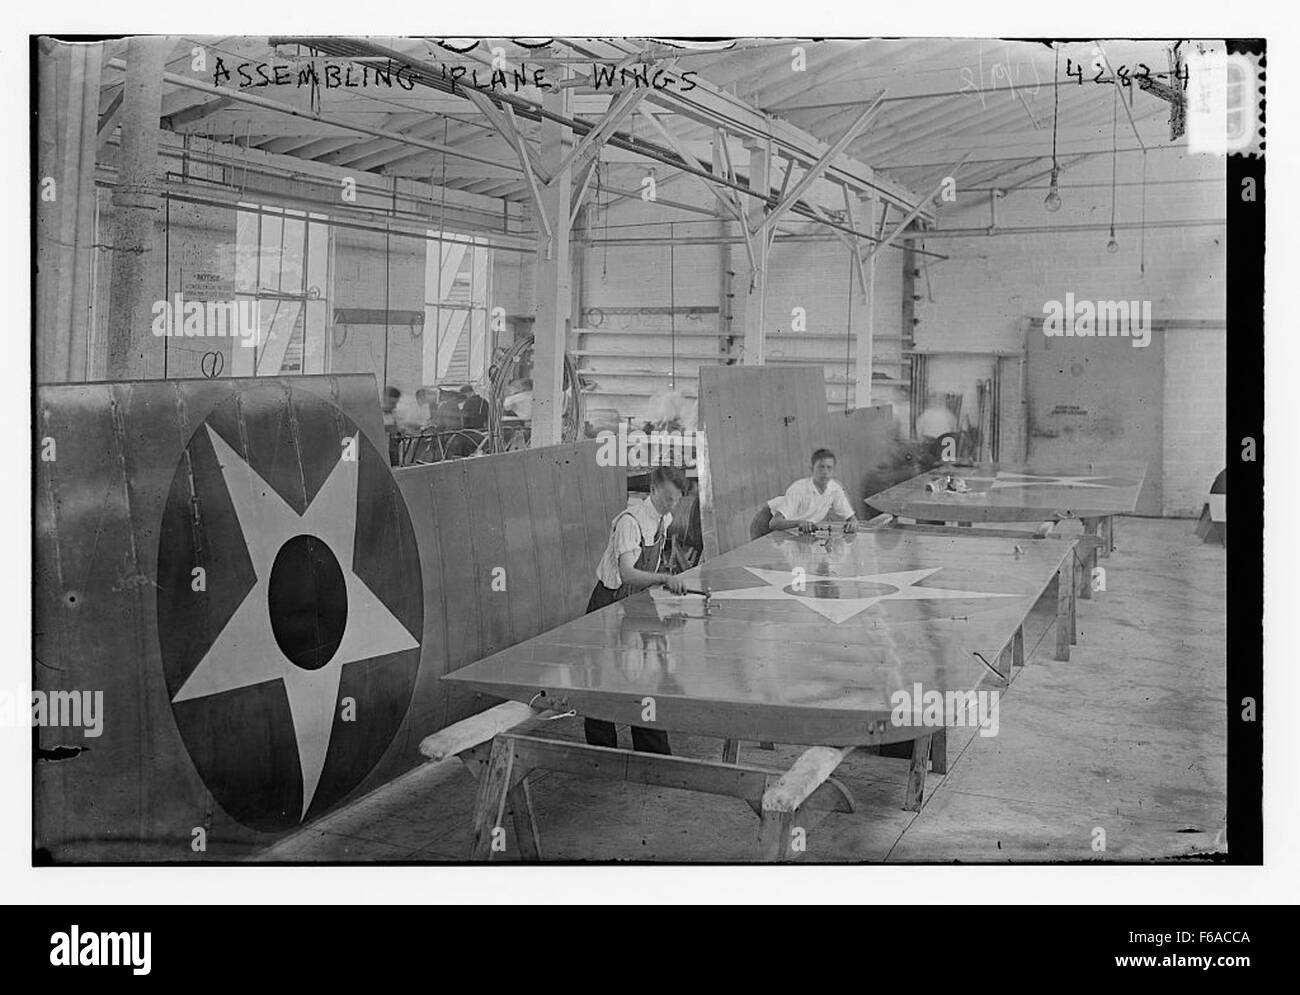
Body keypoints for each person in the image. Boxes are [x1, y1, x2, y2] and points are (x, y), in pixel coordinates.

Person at [584, 465, 689, 755]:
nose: (672, 505)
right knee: (605, 680)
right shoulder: (630, 521)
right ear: (653, 489)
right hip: (609, 603)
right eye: (668, 498)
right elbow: (628, 574)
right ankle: (602, 753)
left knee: (649, 675)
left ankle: (652, 753)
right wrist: (665, 579)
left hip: (637, 603)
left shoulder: (663, 519)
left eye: (677, 499)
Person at [768, 448, 858, 535]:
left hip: (791, 527)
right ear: (812, 469)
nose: (825, 472)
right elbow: (774, 523)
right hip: (769, 520)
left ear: (834, 471)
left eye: (829, 468)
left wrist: (852, 523)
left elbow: (852, 518)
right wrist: (799, 523)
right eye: (821, 467)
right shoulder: (799, 489)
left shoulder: (835, 489)